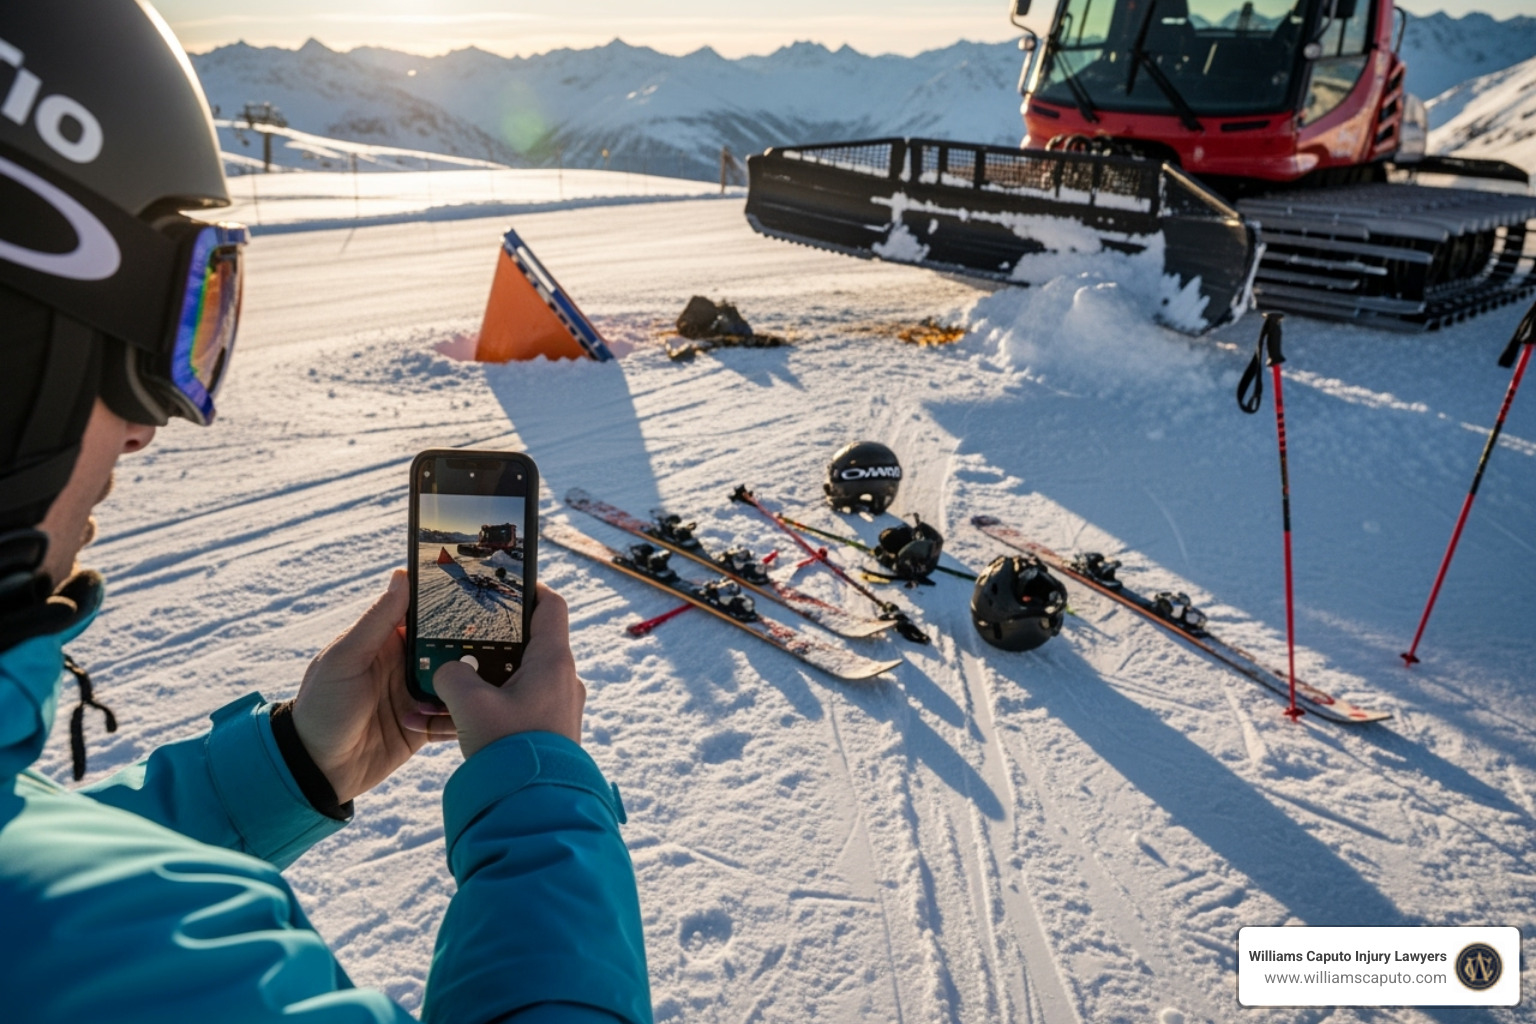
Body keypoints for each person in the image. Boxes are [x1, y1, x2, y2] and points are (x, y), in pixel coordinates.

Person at [0, 3, 651, 1021]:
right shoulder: (185, 965)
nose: (151, 426)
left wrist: (294, 764)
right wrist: (541, 798)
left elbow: (35, 868)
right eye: (182, 326)